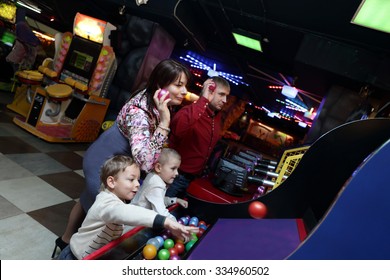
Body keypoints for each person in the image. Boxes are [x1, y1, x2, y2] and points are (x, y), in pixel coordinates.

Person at [52, 59, 191, 258]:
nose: (184, 91)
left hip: (117, 160)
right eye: (178, 85)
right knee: (103, 219)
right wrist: (165, 122)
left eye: (185, 85)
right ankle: (73, 255)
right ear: (161, 86)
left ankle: (63, 241)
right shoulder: (139, 113)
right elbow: (145, 161)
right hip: (104, 160)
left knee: (86, 200)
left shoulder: (156, 101)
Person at [58, 155, 197, 260]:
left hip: (92, 256)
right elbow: (123, 212)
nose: (137, 184)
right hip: (75, 257)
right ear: (112, 182)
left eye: (137, 179)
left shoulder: (117, 199)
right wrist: (166, 222)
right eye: (131, 179)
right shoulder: (105, 203)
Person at [166, 76, 230, 198]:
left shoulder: (215, 117)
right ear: (209, 91)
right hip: (175, 177)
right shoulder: (189, 111)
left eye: (227, 96)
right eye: (221, 94)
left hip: (194, 179)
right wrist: (204, 99)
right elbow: (178, 130)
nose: (225, 100)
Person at [131, 148, 188, 221]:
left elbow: (158, 200)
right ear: (158, 167)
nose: (177, 173)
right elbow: (161, 213)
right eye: (173, 168)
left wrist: (175, 200)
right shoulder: (156, 184)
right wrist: (177, 225)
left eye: (177, 169)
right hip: (133, 226)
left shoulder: (154, 177)